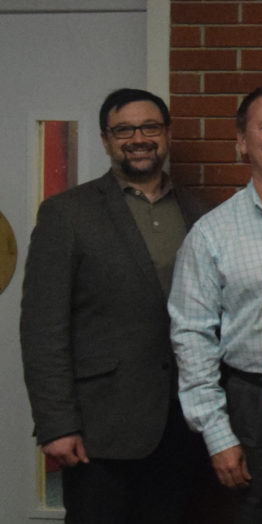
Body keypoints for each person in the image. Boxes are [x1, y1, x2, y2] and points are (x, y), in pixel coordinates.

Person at [22, 88, 212, 524]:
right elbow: (42, 329)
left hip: (183, 428)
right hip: (100, 431)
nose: (138, 139)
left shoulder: (199, 211)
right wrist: (57, 424)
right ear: (106, 140)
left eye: (149, 127)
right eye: (124, 130)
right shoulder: (67, 214)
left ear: (167, 134)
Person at [171, 82, 262, 523]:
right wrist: (218, 434)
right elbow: (191, 337)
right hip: (253, 409)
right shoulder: (212, 234)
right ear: (241, 142)